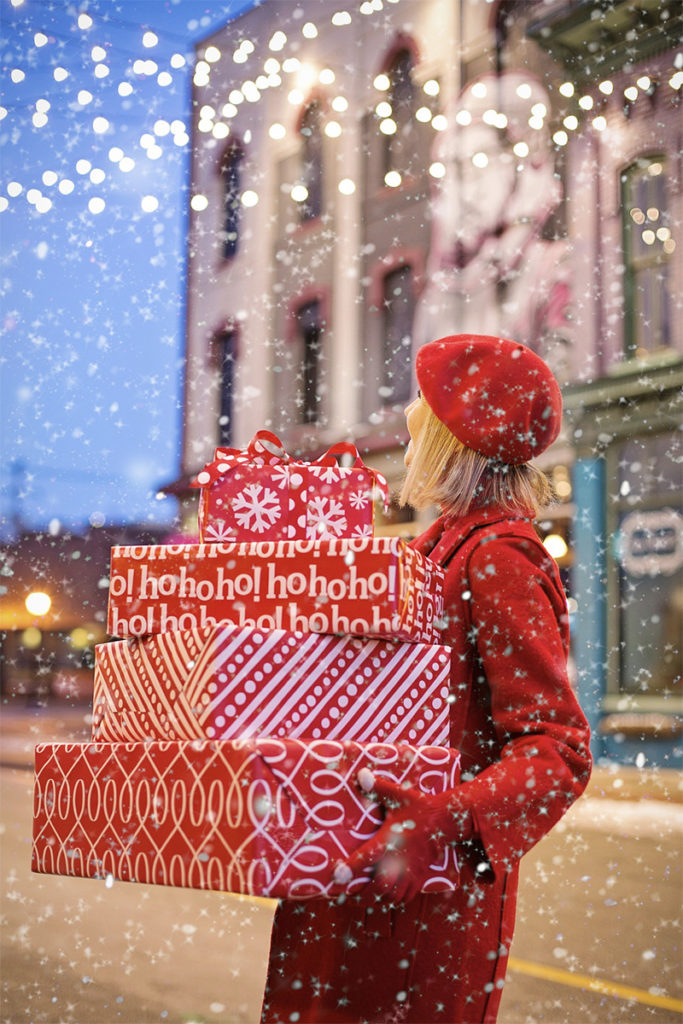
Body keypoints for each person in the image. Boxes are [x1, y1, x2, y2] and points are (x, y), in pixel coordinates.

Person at [260, 333, 592, 1024]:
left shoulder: (497, 555)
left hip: (421, 901)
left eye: (421, 421)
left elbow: (556, 748)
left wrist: (440, 822)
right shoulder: (433, 548)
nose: (408, 440)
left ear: (452, 442)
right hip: (359, 871)